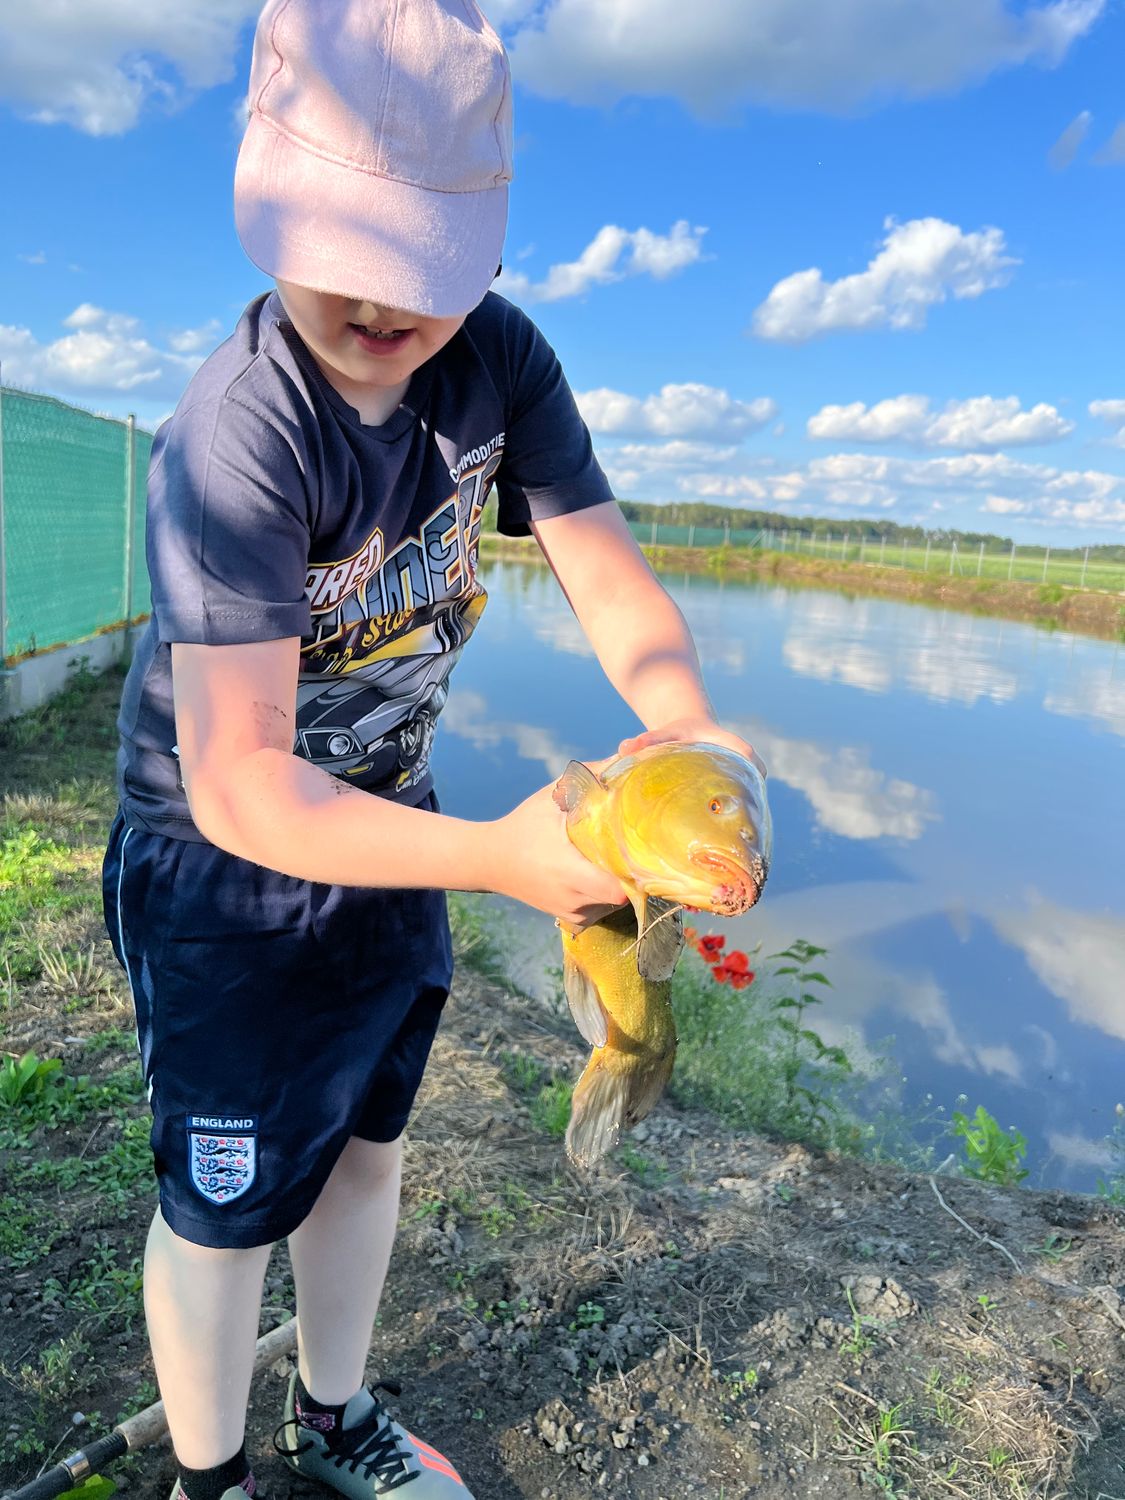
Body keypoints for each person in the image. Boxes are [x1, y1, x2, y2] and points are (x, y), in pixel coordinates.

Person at [102, 2, 762, 1497]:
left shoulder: (501, 365)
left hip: (392, 823)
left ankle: (334, 1417)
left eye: (427, 271)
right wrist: (500, 863)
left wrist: (687, 724)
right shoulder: (238, 434)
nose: (387, 306)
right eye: (351, 252)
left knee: (362, 1147)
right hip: (225, 868)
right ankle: (210, 1480)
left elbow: (603, 571)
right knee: (222, 1208)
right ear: (267, 205)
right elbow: (242, 780)